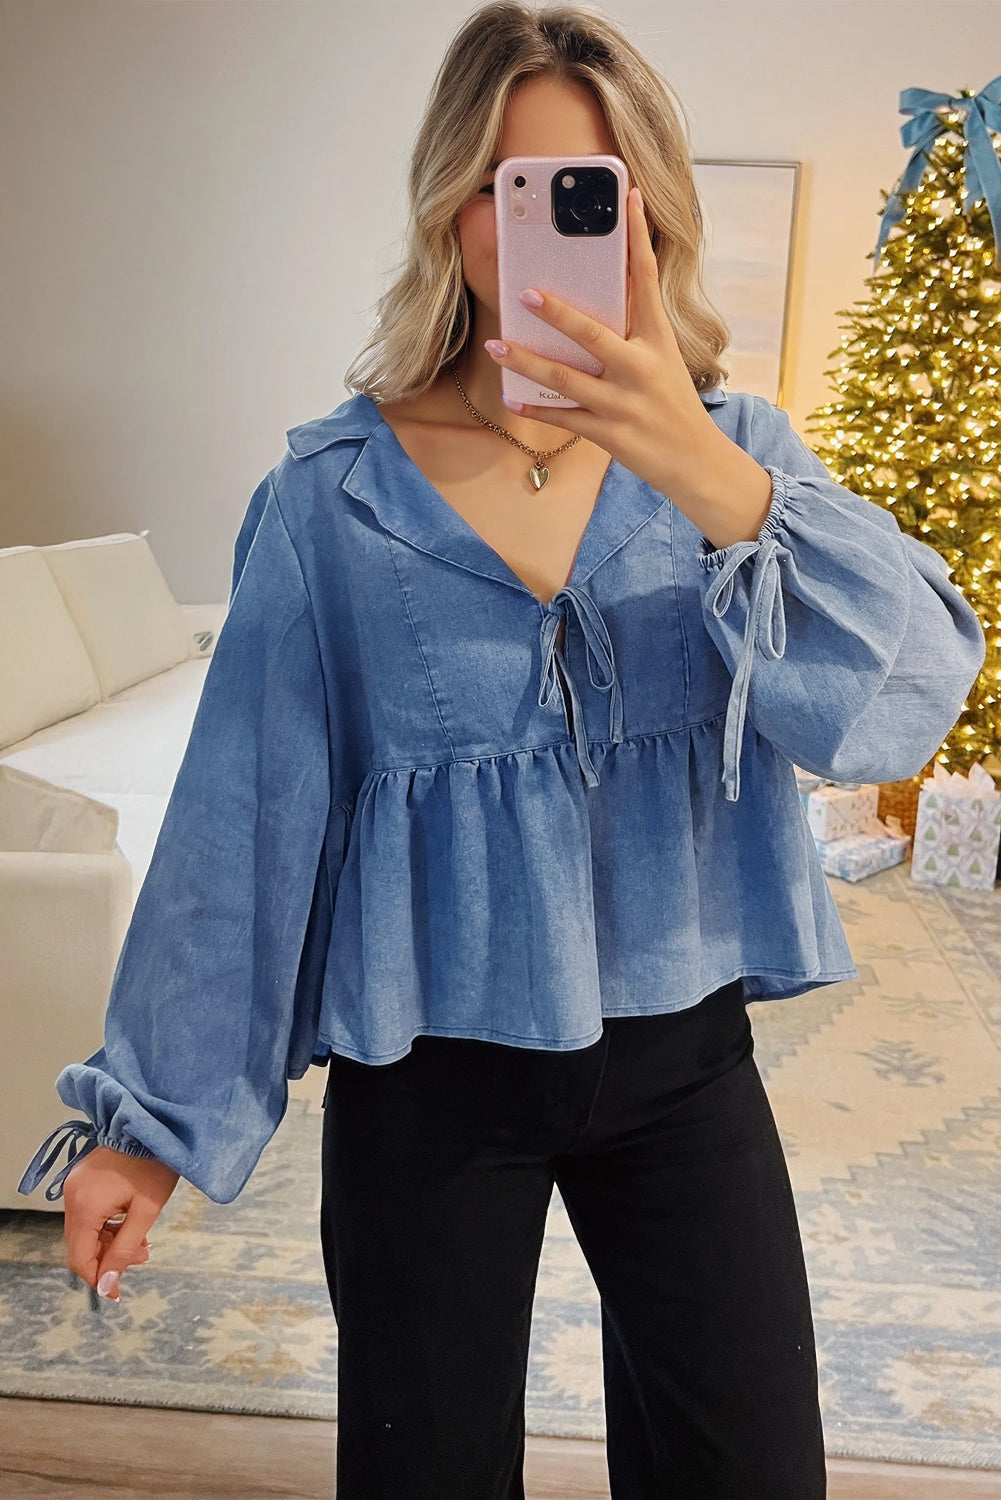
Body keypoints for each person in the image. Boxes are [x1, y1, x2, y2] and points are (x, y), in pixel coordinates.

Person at [18, 4, 986, 1497]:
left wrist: (700, 465)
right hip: (430, 1087)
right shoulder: (334, 498)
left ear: (647, 208)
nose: (538, 227)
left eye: (587, 189)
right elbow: (245, 826)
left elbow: (905, 695)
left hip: (683, 1064)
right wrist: (146, 1128)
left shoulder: (741, 459)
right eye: (504, 187)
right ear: (449, 211)